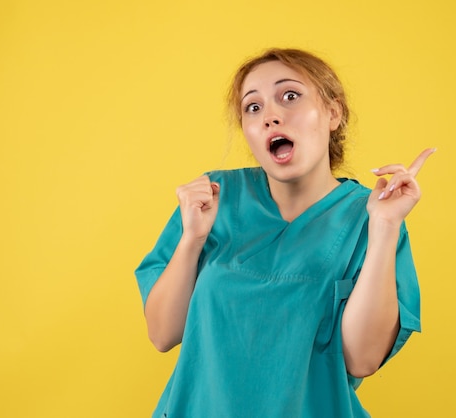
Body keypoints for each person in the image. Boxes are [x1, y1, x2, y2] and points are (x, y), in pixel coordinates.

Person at [135, 48, 434, 418]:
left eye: (289, 96)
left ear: (333, 113)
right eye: (253, 107)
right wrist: (192, 240)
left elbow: (363, 359)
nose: (270, 116)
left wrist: (386, 228)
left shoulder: (370, 216)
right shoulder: (210, 200)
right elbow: (163, 334)